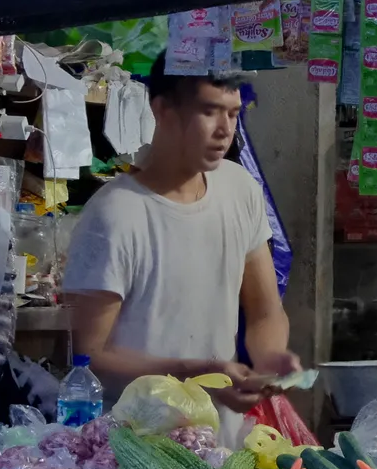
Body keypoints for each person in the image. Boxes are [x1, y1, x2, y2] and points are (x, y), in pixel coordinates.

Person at [64, 59, 300, 414]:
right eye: (210, 112)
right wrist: (196, 374)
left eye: (233, 114)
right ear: (163, 111)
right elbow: (89, 357)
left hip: (218, 440)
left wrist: (271, 360)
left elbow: (266, 311)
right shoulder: (115, 214)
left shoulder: (240, 189)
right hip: (134, 445)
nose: (225, 130)